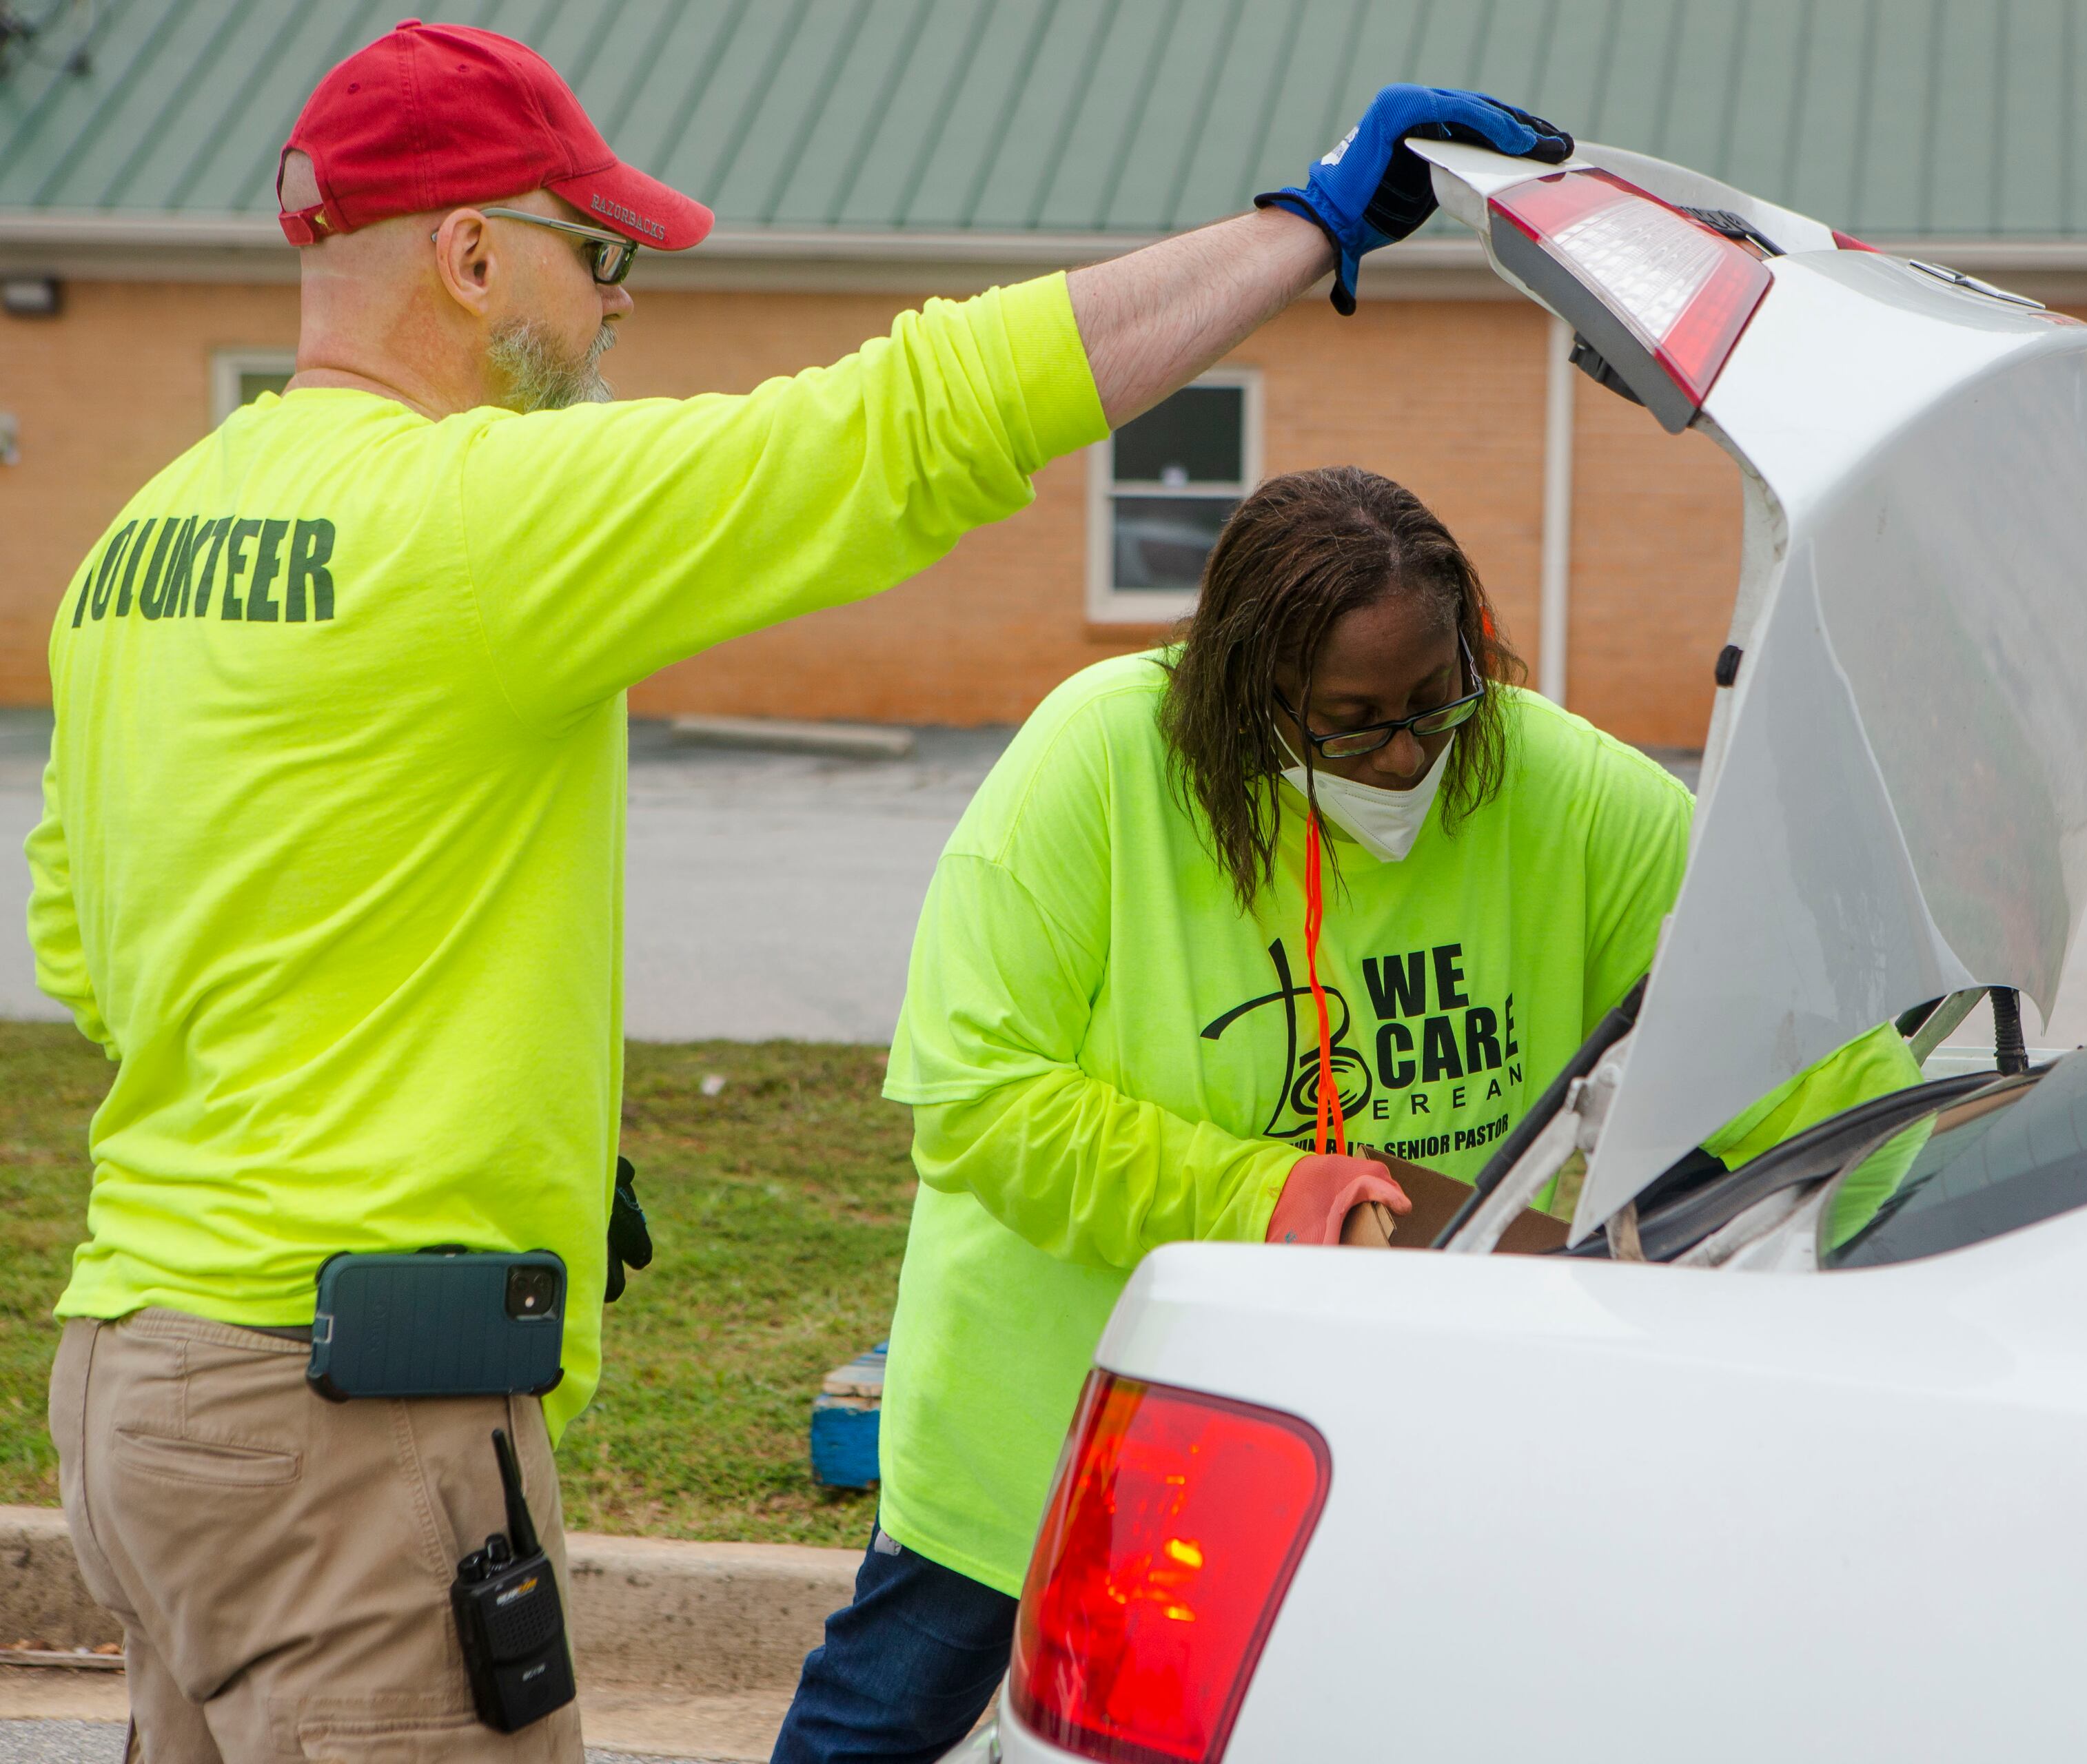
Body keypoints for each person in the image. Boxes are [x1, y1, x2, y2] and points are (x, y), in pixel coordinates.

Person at [27, 15, 1572, 1757]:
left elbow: (91, 945)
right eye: (596, 257)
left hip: (138, 1383)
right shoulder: (471, 517)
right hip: (350, 1418)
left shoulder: (130, 555)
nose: (619, 304)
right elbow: (906, 427)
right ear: (469, 256)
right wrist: (1306, 226)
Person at [773, 467, 1923, 1759]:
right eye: (1349, 723)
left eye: (1439, 704)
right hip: (1060, 1419)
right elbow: (976, 1100)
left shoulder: (1568, 797)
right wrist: (1262, 1192)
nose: (1406, 756)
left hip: (1383, 1439)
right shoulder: (1095, 764)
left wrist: (1868, 1241)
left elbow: (1818, 1055)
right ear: (1242, 696)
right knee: (882, 1722)